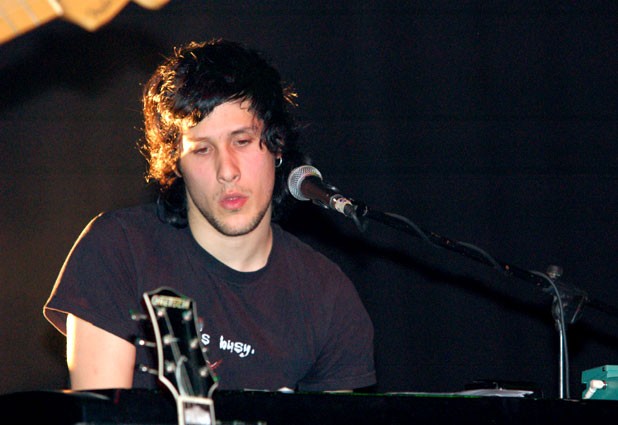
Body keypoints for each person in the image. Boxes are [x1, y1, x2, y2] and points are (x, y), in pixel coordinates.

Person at [43, 38, 376, 393]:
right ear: (176, 162)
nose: (226, 170)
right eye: (202, 149)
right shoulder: (118, 250)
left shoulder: (328, 296)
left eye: (242, 141)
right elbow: (101, 414)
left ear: (277, 145)